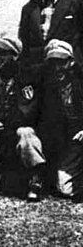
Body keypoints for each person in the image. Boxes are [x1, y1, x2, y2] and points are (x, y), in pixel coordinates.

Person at [0, 38, 44, 201]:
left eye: (3, 54)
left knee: (26, 133)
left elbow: (27, 112)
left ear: (14, 57)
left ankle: (34, 180)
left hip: (13, 134)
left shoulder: (25, 80)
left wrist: (5, 126)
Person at [35, 40, 83, 201]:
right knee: (64, 188)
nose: (57, 69)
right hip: (67, 144)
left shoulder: (80, 83)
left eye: (61, 62)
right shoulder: (47, 87)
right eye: (53, 63)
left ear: (71, 62)